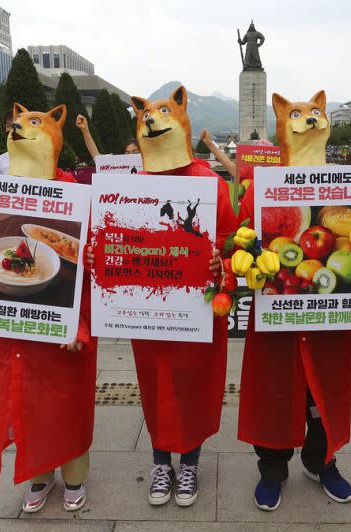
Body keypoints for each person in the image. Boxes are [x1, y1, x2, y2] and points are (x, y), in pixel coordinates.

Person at [0, 103, 97, 514]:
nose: (20, 128)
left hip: (63, 323)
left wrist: (83, 325)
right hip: (13, 324)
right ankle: (39, 472)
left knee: (66, 400)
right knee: (24, 399)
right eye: (17, 124)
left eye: (32, 123)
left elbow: (92, 268)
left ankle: (74, 476)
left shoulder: (76, 193)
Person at [118, 85, 235, 507]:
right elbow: (117, 242)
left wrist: (221, 262)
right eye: (146, 115)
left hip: (197, 310)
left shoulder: (210, 183)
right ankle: (160, 462)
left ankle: (190, 464)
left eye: (163, 112)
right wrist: (100, 253)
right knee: (156, 384)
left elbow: (231, 241)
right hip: (149, 312)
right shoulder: (134, 185)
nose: (151, 120)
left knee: (194, 384)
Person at [237, 90, 351, 512]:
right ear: (282, 123)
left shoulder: (345, 184)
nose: (309, 120)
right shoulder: (260, 189)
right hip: (278, 308)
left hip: (327, 314)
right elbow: (243, 235)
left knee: (323, 394)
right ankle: (272, 469)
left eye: (316, 113)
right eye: (298, 115)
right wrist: (246, 255)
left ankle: (323, 462)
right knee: (275, 392)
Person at [74, 114, 139, 159]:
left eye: (135, 152)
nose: (131, 156)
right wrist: (85, 129)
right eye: (127, 153)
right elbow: (96, 156)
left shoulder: (148, 165)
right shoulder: (117, 164)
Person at [0, 109, 15, 175]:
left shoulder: (43, 160)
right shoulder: (1, 160)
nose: (11, 130)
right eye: (8, 126)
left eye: (15, 125)